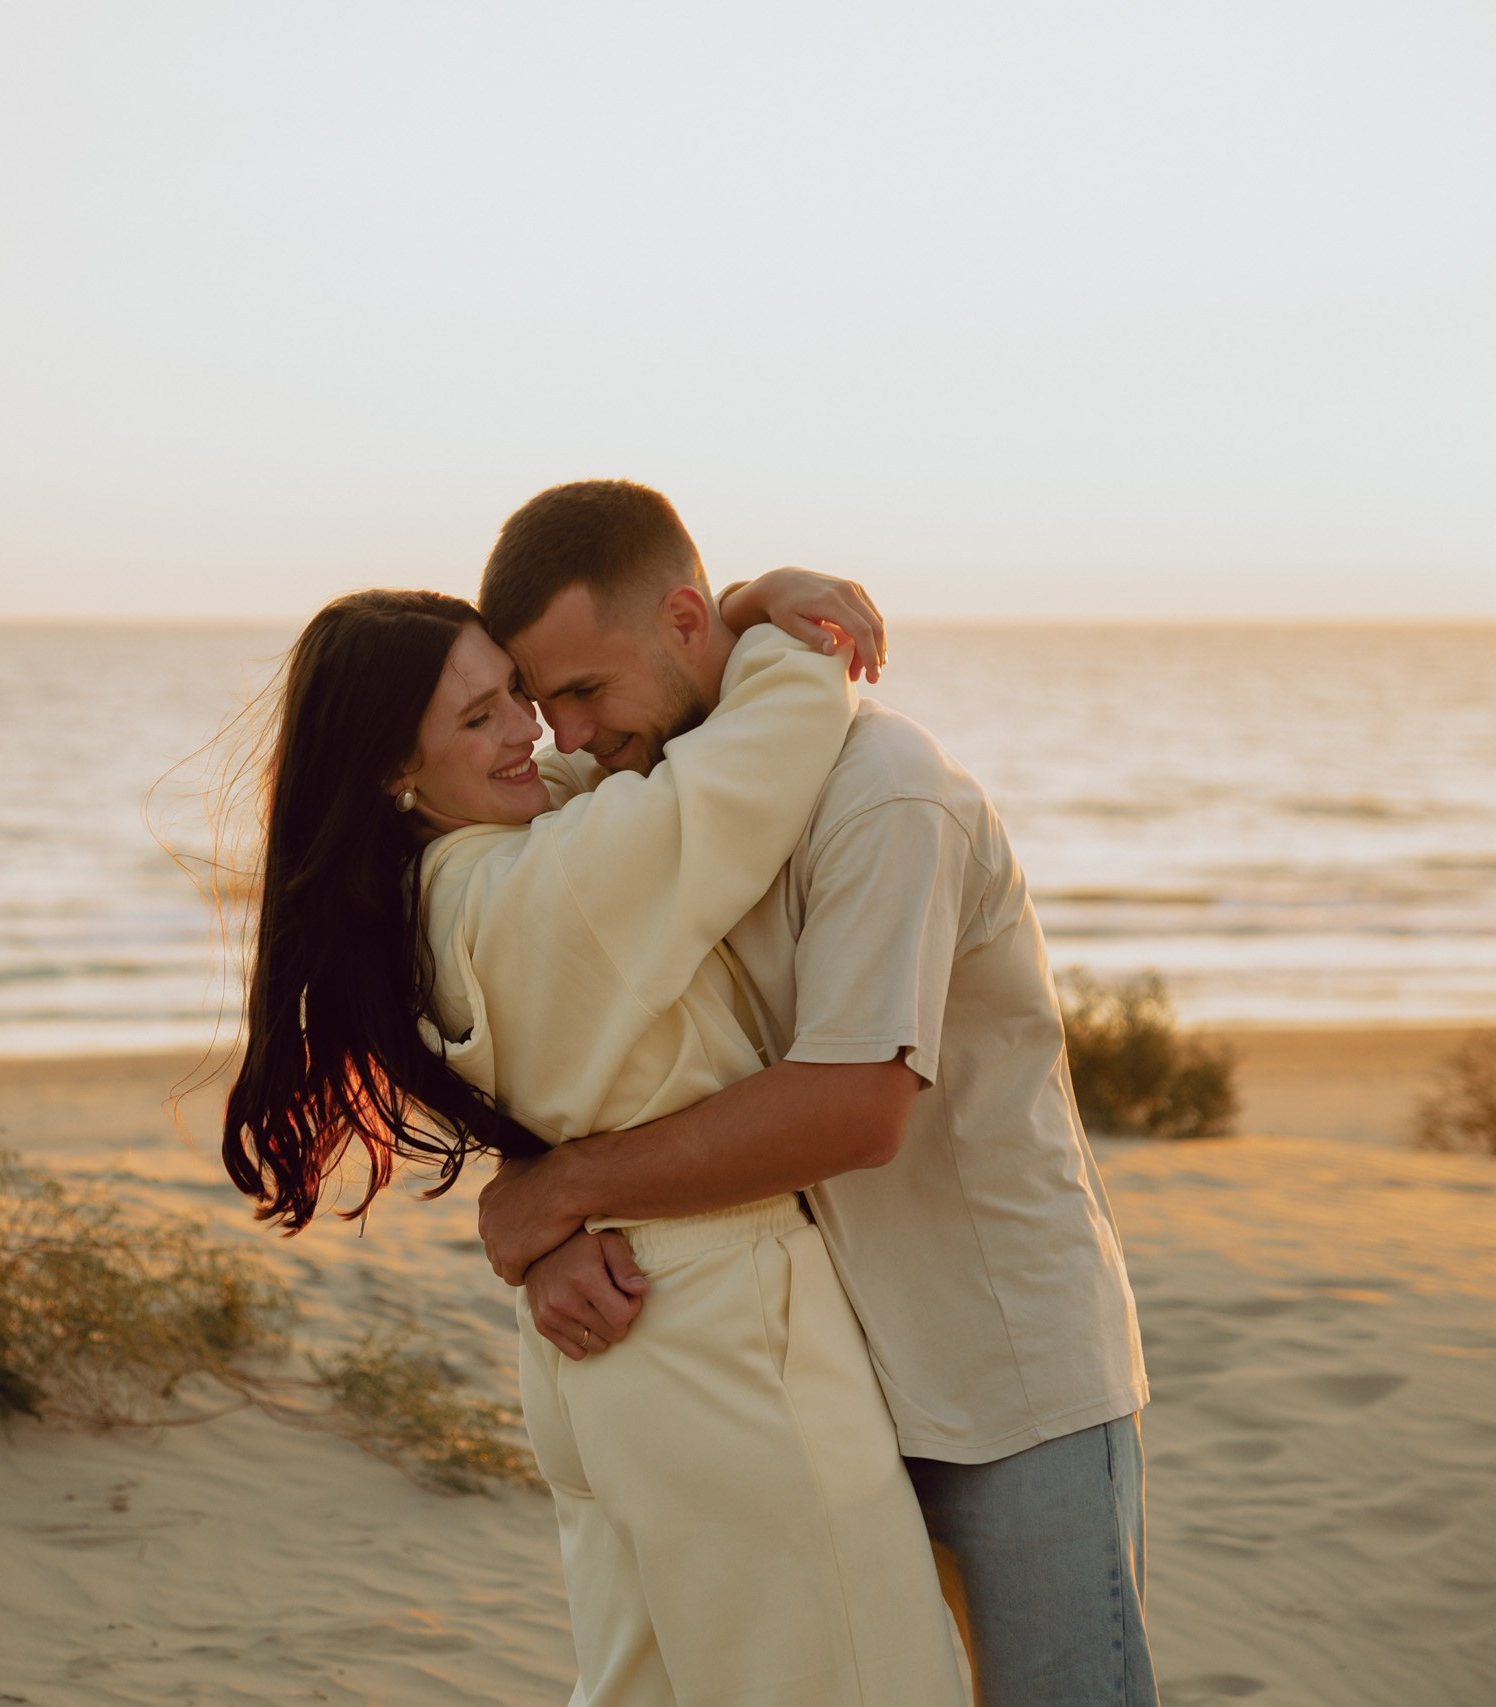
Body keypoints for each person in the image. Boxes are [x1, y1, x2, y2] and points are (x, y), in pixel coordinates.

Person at [219, 578, 969, 1705]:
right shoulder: (547, 884)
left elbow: (587, 778)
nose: (530, 731)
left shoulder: (432, 888)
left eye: (517, 692)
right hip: (721, 1330)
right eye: (479, 717)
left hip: (605, 1359)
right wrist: (765, 620)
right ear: (393, 771)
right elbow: (764, 749)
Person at [471, 480, 1157, 1707]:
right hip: (829, 1382)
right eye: (540, 700)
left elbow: (853, 1109)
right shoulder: (655, 786)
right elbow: (530, 964)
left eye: (583, 690)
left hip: (1001, 1382)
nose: (563, 735)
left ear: (683, 623)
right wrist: (536, 1197)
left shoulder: (883, 793)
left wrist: (563, 1189)